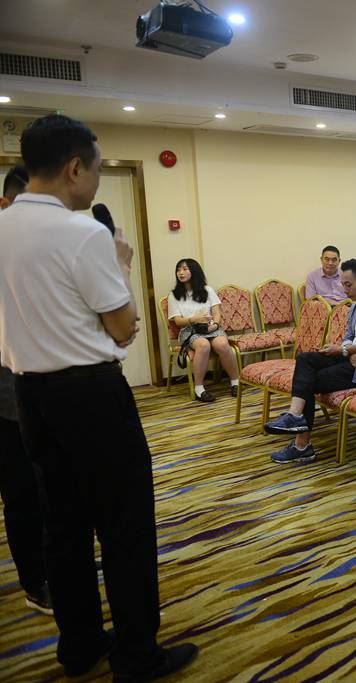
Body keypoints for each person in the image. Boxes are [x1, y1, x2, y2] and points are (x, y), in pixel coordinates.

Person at [0, 114, 198, 678]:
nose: (94, 182)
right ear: (74, 167)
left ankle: (80, 644)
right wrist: (123, 264)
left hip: (28, 393)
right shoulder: (82, 233)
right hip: (89, 393)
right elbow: (124, 326)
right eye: (95, 168)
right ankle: (136, 655)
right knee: (124, 524)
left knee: (60, 522)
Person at [264, 258, 356, 462]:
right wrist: (349, 352)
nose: (345, 290)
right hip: (353, 358)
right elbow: (348, 337)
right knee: (306, 359)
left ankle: (302, 445)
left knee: (308, 381)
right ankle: (294, 415)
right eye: (343, 284)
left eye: (348, 285)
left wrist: (346, 350)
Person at [0, 165, 50, 616]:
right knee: (21, 494)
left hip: (47, 394)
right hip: (6, 400)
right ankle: (35, 581)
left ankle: (55, 562)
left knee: (54, 488)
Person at [167, 258, 240, 402]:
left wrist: (215, 325)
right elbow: (178, 321)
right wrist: (194, 319)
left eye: (185, 269)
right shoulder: (173, 295)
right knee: (203, 345)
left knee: (222, 344)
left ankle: (235, 382)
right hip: (190, 330)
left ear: (194, 271)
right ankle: (199, 389)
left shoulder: (208, 290)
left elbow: (217, 313)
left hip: (211, 327)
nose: (180, 273)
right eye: (178, 270)